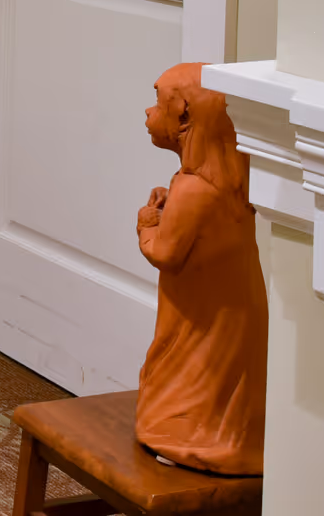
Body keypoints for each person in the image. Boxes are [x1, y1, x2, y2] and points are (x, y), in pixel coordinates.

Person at [135, 62, 267, 475]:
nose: (148, 114)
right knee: (224, 372)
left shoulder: (193, 189)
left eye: (158, 105)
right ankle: (228, 434)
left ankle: (191, 436)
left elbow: (166, 254)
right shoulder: (229, 180)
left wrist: (147, 223)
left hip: (201, 313)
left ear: (186, 116)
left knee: (192, 370)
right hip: (231, 305)